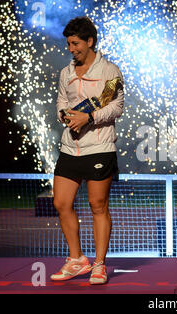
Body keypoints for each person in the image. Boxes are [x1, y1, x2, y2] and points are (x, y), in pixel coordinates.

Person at [50, 16, 124, 285]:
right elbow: (61, 99)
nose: (71, 49)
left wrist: (89, 118)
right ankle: (77, 260)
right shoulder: (66, 73)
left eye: (75, 43)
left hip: (100, 147)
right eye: (69, 44)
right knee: (61, 203)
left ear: (90, 41)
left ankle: (99, 265)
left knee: (97, 205)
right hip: (70, 148)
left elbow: (116, 107)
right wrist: (64, 114)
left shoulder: (110, 71)